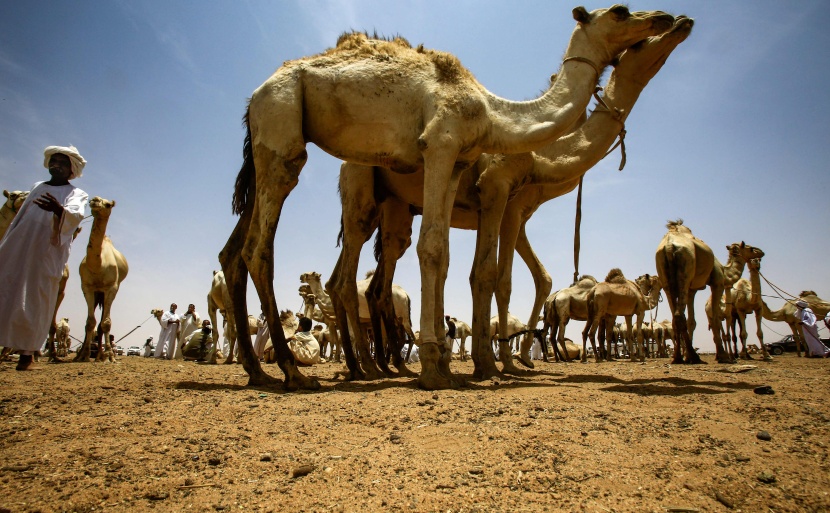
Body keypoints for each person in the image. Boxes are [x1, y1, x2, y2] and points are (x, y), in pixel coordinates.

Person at [0, 146, 88, 371]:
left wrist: (59, 209)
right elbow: (21, 216)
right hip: (19, 245)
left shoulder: (77, 195)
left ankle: (26, 355)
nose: (56, 165)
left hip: (47, 250)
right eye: (54, 161)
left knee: (37, 298)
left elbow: (75, 216)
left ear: (71, 170)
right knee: (6, 289)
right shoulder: (37, 187)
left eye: (62, 162)